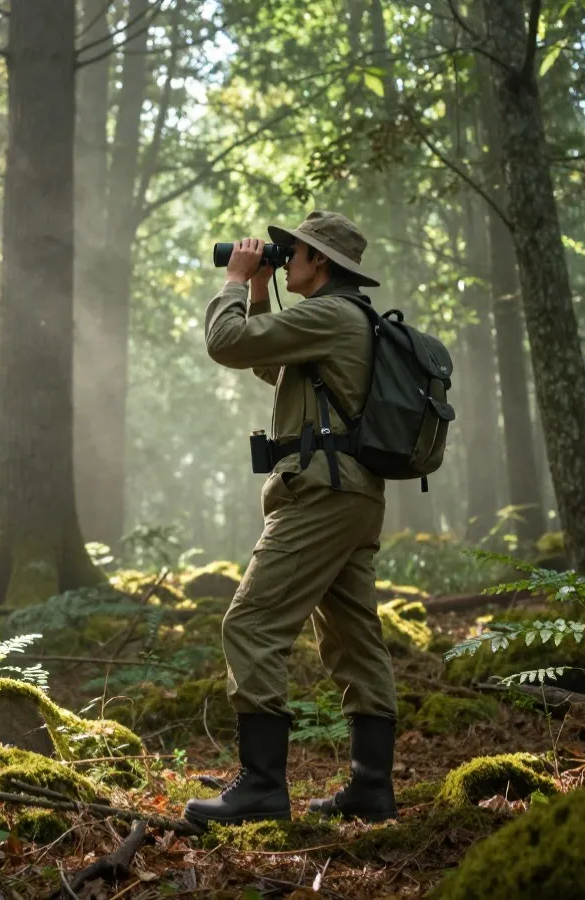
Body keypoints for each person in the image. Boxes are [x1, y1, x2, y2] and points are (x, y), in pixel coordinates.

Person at [183, 210, 398, 828]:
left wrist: (233, 280)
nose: (282, 260)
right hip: (352, 494)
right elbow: (270, 364)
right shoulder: (348, 318)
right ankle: (371, 787)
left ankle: (261, 787)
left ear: (319, 261)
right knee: (353, 636)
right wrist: (259, 290)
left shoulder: (330, 314)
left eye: (291, 253)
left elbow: (227, 344)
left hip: (321, 493)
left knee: (252, 622)